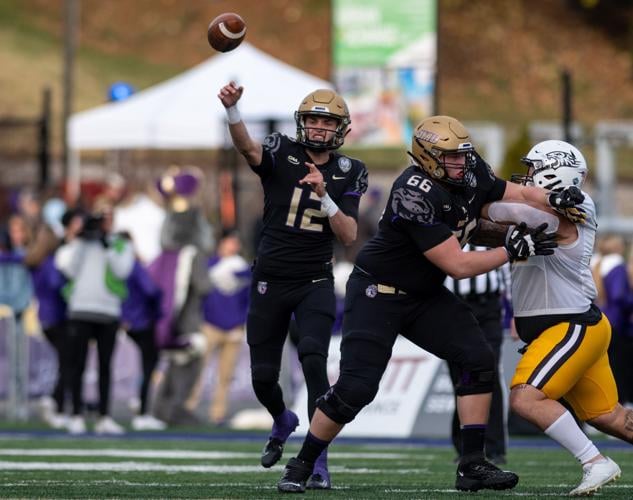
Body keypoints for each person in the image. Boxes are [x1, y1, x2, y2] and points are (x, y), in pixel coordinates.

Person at [276, 115, 582, 493]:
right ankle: (302, 462)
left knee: (477, 358)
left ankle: (471, 463)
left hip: (423, 294)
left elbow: (514, 193)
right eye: (450, 156)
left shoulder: (470, 172)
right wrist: (509, 250)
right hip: (378, 293)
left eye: (462, 155)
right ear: (426, 156)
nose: (461, 163)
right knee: (357, 388)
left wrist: (553, 197)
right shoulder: (413, 190)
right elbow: (457, 265)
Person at [218, 81, 368, 488]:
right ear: (303, 123)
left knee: (314, 359)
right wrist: (234, 111)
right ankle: (283, 418)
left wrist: (325, 196)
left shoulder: (348, 170)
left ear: (340, 129)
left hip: (314, 279)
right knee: (263, 377)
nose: (319, 127)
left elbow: (350, 234)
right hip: (269, 278)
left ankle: (317, 462)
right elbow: (248, 149)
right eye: (314, 119)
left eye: (327, 121)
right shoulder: (281, 150)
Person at [478, 139, 630, 497]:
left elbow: (502, 213)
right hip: (574, 326)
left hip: (569, 326)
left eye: (532, 170)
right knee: (608, 416)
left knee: (526, 399)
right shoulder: (542, 212)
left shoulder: (571, 207)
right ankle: (596, 459)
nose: (526, 178)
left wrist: (475, 199)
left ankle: (595, 462)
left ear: (552, 171)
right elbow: (492, 228)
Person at [55, 206, 135, 435]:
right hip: (80, 310)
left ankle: (104, 416)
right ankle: (77, 414)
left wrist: (105, 244)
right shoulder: (79, 243)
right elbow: (68, 269)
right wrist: (81, 239)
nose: (104, 223)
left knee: (105, 366)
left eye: (108, 218)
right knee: (76, 365)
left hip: (108, 311)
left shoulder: (120, 243)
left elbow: (122, 272)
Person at [444, 244, 511, 465]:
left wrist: (516, 313)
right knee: (461, 377)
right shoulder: (449, 234)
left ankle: (494, 447)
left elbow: (508, 274)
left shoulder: (491, 234)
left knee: (488, 374)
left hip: (488, 308)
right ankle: (465, 447)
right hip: (455, 308)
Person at [185, 230, 251, 425]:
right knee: (197, 370)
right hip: (209, 326)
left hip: (233, 329)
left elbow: (248, 300)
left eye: (236, 242)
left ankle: (217, 414)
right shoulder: (209, 264)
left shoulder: (244, 269)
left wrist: (241, 325)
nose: (233, 245)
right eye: (230, 241)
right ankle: (187, 408)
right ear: (221, 243)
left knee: (225, 375)